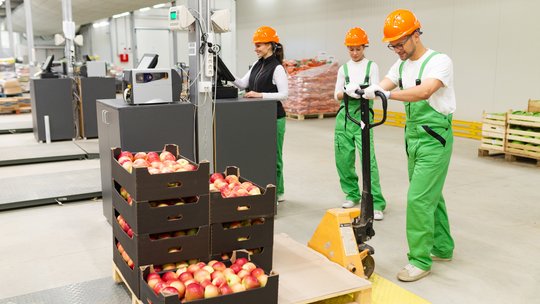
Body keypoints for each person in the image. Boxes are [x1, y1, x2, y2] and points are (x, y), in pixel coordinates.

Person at [363, 9, 456, 282]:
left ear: (416, 35)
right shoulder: (401, 65)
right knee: (430, 196)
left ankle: (419, 260)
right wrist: (367, 89)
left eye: (400, 43)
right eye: (392, 45)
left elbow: (425, 91)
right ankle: (443, 247)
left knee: (418, 198)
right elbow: (383, 83)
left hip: (434, 138)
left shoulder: (439, 61)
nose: (397, 49)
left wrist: (385, 93)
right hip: (412, 137)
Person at [334, 27, 387, 220]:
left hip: (364, 116)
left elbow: (376, 92)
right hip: (344, 116)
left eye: (358, 49)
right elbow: (336, 94)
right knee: (343, 159)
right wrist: (347, 91)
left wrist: (360, 91)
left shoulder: (371, 66)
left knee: (368, 160)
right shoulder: (343, 69)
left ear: (364, 47)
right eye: (351, 49)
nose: (355, 53)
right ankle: (352, 194)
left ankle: (377, 202)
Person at [232, 26, 288, 204]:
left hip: (274, 118)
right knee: (262, 154)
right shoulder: (257, 64)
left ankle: (278, 191)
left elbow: (284, 94)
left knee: (275, 156)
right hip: (259, 118)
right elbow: (242, 84)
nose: (255, 48)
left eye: (259, 45)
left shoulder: (277, 68)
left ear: (270, 45)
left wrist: (260, 94)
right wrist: (224, 71)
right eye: (255, 45)